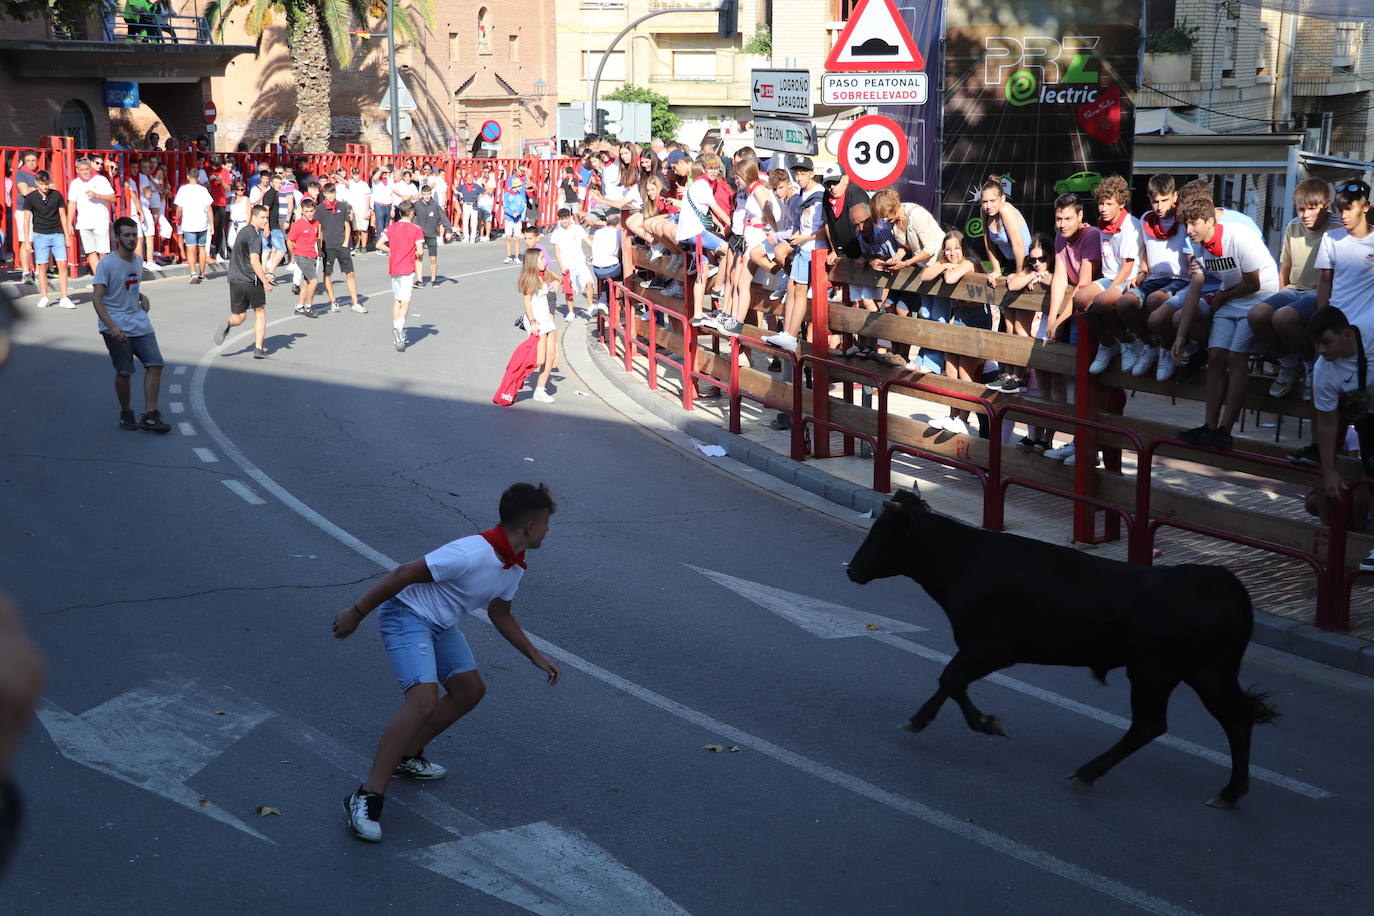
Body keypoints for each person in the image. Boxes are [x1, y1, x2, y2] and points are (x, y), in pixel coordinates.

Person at [332, 482, 560, 843]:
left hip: (438, 624)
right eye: (547, 522)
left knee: (470, 691)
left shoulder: (513, 568)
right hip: (406, 615)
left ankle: (407, 755)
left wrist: (535, 655)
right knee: (421, 700)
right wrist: (356, 613)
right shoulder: (472, 552)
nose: (549, 530)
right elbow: (404, 573)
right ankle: (367, 795)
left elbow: (501, 613)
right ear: (530, 526)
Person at [1174, 196, 1280, 450]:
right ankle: (1209, 426)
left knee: (1235, 356)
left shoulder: (1239, 236)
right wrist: (1180, 334)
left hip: (1258, 296)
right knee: (1216, 357)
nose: (1189, 231)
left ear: (1210, 221)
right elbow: (1195, 287)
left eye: (1194, 224)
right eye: (1186, 225)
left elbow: (1253, 282)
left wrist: (1222, 296)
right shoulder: (1196, 244)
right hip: (1232, 296)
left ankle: (1225, 430)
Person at [1250, 178, 1335, 402]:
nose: (1305, 214)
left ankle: (1309, 366)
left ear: (1325, 205)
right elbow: (1285, 267)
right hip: (1294, 289)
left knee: (1283, 318)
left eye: (1311, 209)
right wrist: (1281, 293)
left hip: (1321, 292)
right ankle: (1288, 364)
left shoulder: (1336, 228)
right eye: (1300, 209)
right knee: (1257, 314)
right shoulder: (1293, 226)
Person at [1039, 194, 1103, 464]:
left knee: (1089, 382)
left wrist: (1061, 319)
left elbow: (1084, 283)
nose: (1062, 224)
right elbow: (1060, 279)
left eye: (1067, 218)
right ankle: (1078, 442)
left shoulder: (1091, 236)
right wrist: (1052, 318)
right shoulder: (1060, 238)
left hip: (1094, 310)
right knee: (1077, 377)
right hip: (1077, 311)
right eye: (1058, 219)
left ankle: (1088, 446)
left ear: (1080, 216)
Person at [91, 217, 170, 432]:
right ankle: (126, 412)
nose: (131, 238)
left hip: (139, 321)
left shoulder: (137, 260)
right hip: (116, 325)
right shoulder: (107, 263)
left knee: (155, 364)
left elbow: (127, 287)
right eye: (126, 235)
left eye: (134, 234)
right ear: (117, 237)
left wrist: (141, 296)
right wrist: (112, 327)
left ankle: (150, 415)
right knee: (124, 372)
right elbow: (97, 298)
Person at [1118, 173, 1193, 381]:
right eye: (1154, 201)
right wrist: (1142, 271)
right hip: (1154, 278)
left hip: (1181, 279)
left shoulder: (1185, 220)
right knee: (1124, 303)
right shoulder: (1146, 220)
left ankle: (1167, 349)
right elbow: (1145, 251)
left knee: (1156, 299)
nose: (1159, 206)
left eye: (1164, 200)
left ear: (1175, 197)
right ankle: (1149, 345)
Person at [918, 231, 985, 434]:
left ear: (963, 248)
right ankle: (953, 415)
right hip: (960, 317)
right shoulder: (948, 262)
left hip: (976, 318)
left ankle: (962, 419)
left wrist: (948, 268)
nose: (952, 253)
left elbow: (950, 279)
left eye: (956, 248)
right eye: (948, 249)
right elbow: (924, 275)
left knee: (965, 372)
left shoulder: (970, 261)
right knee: (951, 370)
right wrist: (944, 264)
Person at [1081, 175, 1143, 375]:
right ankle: (1108, 344)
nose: (1103, 208)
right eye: (1100, 203)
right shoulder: (1102, 225)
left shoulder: (1130, 227)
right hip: (1109, 277)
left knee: (1100, 302)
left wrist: (1105, 292)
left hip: (1128, 280)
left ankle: (1129, 341)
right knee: (1080, 300)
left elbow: (1126, 268)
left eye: (1109, 204)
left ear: (1121, 204)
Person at [763, 158, 825, 355]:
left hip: (813, 248)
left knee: (799, 291)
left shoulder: (818, 194)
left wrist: (803, 237)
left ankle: (790, 335)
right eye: (797, 173)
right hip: (803, 247)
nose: (799, 177)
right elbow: (802, 225)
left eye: (803, 173)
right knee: (792, 287)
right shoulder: (802, 192)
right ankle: (787, 333)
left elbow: (824, 228)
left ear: (812, 173)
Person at [213, 204, 274, 359]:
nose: (265, 221)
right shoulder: (255, 235)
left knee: (240, 316)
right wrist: (265, 281)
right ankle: (259, 349)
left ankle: (228, 323)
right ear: (253, 217)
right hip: (250, 280)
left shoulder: (243, 231)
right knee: (259, 312)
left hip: (235, 279)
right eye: (262, 218)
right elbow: (254, 261)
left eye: (266, 218)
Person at [23, 171, 76, 310]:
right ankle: (44, 296)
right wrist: (28, 242)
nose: (45, 187)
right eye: (41, 184)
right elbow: (26, 219)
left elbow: (63, 216)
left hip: (57, 233)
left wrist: (67, 236)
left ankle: (64, 297)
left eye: (46, 184)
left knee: (63, 264)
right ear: (36, 183)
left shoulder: (57, 195)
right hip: (40, 235)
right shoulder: (30, 198)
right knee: (42, 266)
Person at [378, 200, 426, 352]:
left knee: (397, 300)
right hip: (407, 268)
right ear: (411, 213)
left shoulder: (391, 228)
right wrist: (418, 255)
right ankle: (399, 330)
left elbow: (379, 244)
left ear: (400, 212)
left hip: (394, 267)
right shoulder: (416, 229)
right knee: (405, 301)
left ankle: (396, 328)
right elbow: (420, 251)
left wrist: (391, 251)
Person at [316, 183, 366, 314]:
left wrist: (345, 242)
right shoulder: (320, 208)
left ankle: (355, 302)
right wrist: (319, 247)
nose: (330, 196)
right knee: (327, 274)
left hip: (342, 245)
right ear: (324, 194)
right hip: (328, 246)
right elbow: (319, 229)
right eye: (328, 193)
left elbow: (347, 225)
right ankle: (333, 301)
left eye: (332, 193)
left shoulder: (342, 206)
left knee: (350, 273)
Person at [517, 251, 560, 402]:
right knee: (540, 360)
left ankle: (540, 390)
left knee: (551, 356)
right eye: (541, 258)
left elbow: (558, 279)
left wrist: (556, 282)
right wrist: (533, 322)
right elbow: (527, 301)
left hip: (547, 318)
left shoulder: (545, 272)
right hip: (536, 320)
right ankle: (517, 374)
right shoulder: (530, 278)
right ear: (533, 262)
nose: (545, 260)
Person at [67, 158, 117, 276]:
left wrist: (96, 195)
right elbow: (72, 203)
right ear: (77, 170)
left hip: (100, 221)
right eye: (82, 170)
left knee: (103, 252)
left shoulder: (101, 180)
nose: (85, 172)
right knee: (90, 252)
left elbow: (113, 198)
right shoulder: (75, 184)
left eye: (87, 169)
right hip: (84, 222)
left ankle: (107, 278)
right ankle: (99, 279)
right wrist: (69, 222)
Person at [548, 207, 596, 320]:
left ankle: (590, 306)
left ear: (570, 218)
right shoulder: (557, 233)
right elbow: (557, 251)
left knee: (589, 283)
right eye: (562, 219)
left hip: (580, 263)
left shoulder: (577, 228)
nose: (564, 221)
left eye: (566, 218)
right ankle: (571, 312)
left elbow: (589, 242)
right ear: (559, 219)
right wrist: (561, 266)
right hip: (567, 265)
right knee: (569, 290)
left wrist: (592, 254)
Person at [173, 169, 213, 284]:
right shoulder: (203, 190)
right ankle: (202, 273)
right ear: (198, 178)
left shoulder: (183, 190)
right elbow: (209, 208)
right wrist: (212, 224)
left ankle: (193, 272)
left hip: (188, 223)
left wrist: (177, 219)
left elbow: (179, 208)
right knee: (202, 248)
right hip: (202, 223)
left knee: (190, 248)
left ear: (187, 176)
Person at [411, 184, 454, 288]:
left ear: (431, 194)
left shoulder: (435, 205)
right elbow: (409, 216)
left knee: (433, 258)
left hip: (431, 234)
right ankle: (420, 281)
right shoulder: (416, 205)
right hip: (419, 235)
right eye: (424, 194)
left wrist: (448, 230)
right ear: (421, 194)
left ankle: (434, 280)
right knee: (419, 256)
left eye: (428, 194)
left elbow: (443, 218)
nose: (426, 196)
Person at [286, 197, 321, 319]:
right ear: (302, 211)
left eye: (311, 211)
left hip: (313, 256)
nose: (309, 214)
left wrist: (320, 254)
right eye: (306, 211)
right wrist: (294, 255)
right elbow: (290, 241)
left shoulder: (316, 223)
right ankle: (308, 306)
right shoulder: (297, 225)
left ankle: (299, 306)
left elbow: (318, 239)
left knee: (306, 283)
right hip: (302, 256)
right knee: (314, 280)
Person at [13, 152, 39, 285]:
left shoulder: (42, 172)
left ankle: (40, 271)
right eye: (28, 160)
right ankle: (26, 273)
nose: (31, 163)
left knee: (41, 241)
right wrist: (41, 188)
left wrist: (33, 188)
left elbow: (53, 187)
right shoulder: (20, 173)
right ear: (24, 161)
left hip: (41, 211)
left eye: (33, 160)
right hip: (24, 210)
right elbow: (24, 191)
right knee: (26, 241)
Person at [259, 172, 291, 275]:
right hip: (272, 226)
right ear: (271, 183)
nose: (278, 185)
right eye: (276, 182)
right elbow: (266, 209)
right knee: (282, 249)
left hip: (268, 225)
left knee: (266, 249)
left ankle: (263, 272)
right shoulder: (271, 194)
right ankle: (270, 272)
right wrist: (267, 225)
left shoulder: (274, 194)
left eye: (280, 183)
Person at [501, 174, 528, 263]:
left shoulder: (520, 195)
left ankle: (516, 256)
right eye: (520, 185)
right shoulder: (507, 195)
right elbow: (505, 206)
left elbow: (522, 206)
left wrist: (518, 213)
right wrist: (512, 213)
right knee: (508, 237)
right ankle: (509, 256)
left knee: (517, 238)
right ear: (516, 186)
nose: (521, 187)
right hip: (509, 219)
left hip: (517, 219)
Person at [346, 167, 372, 251]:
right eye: (354, 175)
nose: (356, 176)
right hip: (354, 209)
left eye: (357, 175)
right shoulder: (350, 183)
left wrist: (366, 210)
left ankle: (364, 246)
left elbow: (368, 198)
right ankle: (357, 245)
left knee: (364, 228)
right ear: (352, 175)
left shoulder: (364, 184)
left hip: (363, 208)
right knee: (356, 229)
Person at [370, 165, 394, 251]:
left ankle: (385, 245)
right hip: (379, 205)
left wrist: (393, 208)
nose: (384, 174)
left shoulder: (390, 180)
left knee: (387, 226)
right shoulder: (376, 181)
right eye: (383, 173)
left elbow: (392, 194)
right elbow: (375, 178)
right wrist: (380, 170)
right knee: (380, 226)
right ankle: (379, 247)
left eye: (386, 172)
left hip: (388, 205)